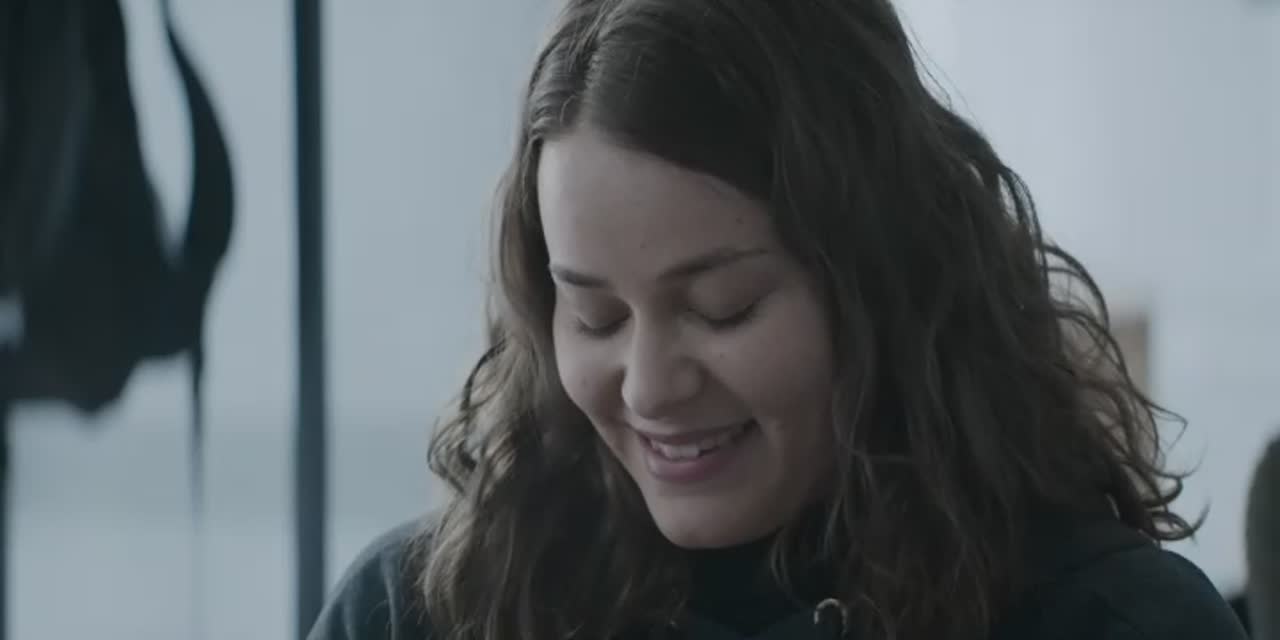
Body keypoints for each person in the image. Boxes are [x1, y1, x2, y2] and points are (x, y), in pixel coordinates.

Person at [307, 1, 1248, 638]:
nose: (650, 387)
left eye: (724, 309)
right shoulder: (418, 614)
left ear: (883, 280)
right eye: (594, 316)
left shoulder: (1114, 620)